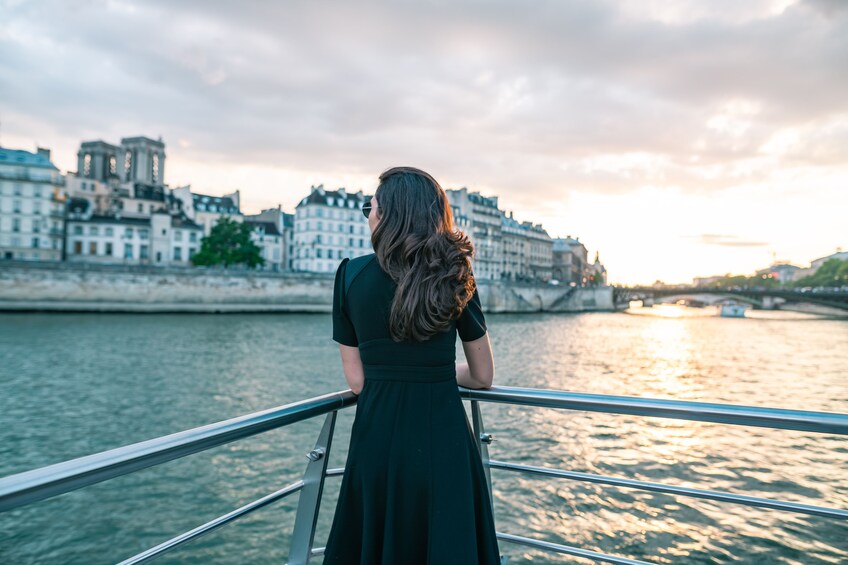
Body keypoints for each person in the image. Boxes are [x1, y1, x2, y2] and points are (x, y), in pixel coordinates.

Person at [322, 166, 501, 564]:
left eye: (370, 207)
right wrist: (435, 371)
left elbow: (356, 382)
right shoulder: (455, 272)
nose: (368, 214)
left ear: (385, 214)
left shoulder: (349, 275)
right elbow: (482, 375)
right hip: (444, 438)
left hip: (377, 442)